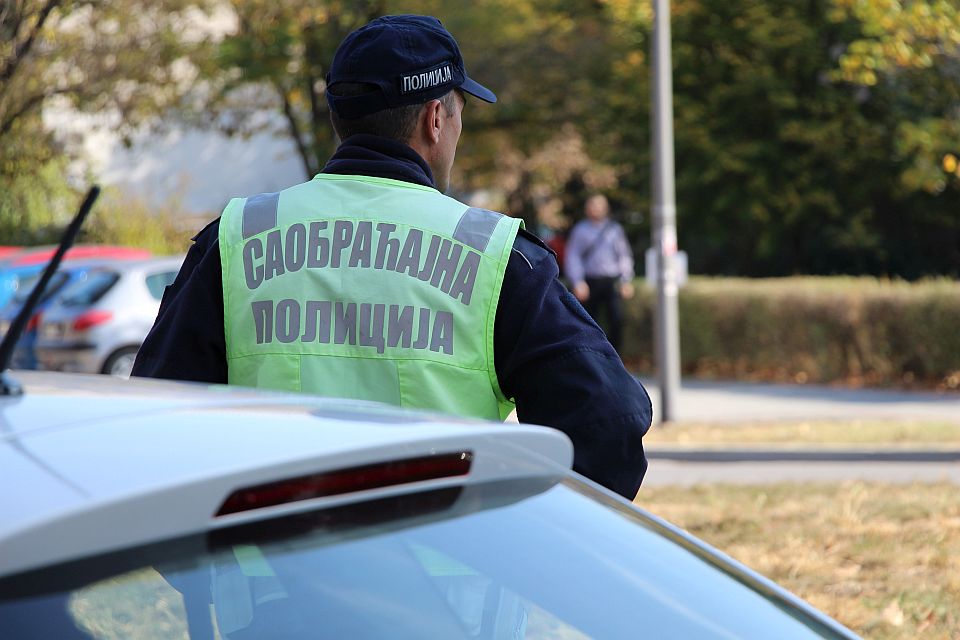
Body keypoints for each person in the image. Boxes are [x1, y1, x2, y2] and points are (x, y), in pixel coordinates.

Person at [132, 14, 652, 500]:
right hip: (447, 590)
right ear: (434, 119)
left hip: (269, 590)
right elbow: (609, 423)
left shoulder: (238, 238)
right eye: (459, 112)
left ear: (339, 117)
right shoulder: (493, 256)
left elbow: (156, 426)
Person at [563, 194, 635, 353]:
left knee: (616, 320)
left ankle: (615, 356)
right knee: (589, 321)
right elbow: (573, 257)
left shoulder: (615, 230)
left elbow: (623, 255)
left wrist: (626, 279)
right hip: (590, 282)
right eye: (592, 205)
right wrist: (578, 281)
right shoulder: (580, 230)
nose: (596, 208)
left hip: (611, 281)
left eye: (599, 205)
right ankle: (592, 355)